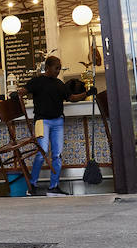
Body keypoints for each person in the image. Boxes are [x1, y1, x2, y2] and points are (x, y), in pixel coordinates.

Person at [17, 56, 92, 196]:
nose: (58, 70)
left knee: (57, 155)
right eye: (56, 67)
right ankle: (32, 185)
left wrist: (86, 93)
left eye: (59, 68)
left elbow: (71, 98)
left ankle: (54, 187)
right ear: (47, 67)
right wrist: (17, 93)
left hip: (58, 122)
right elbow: (24, 91)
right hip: (42, 121)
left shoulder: (59, 84)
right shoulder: (37, 81)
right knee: (41, 153)